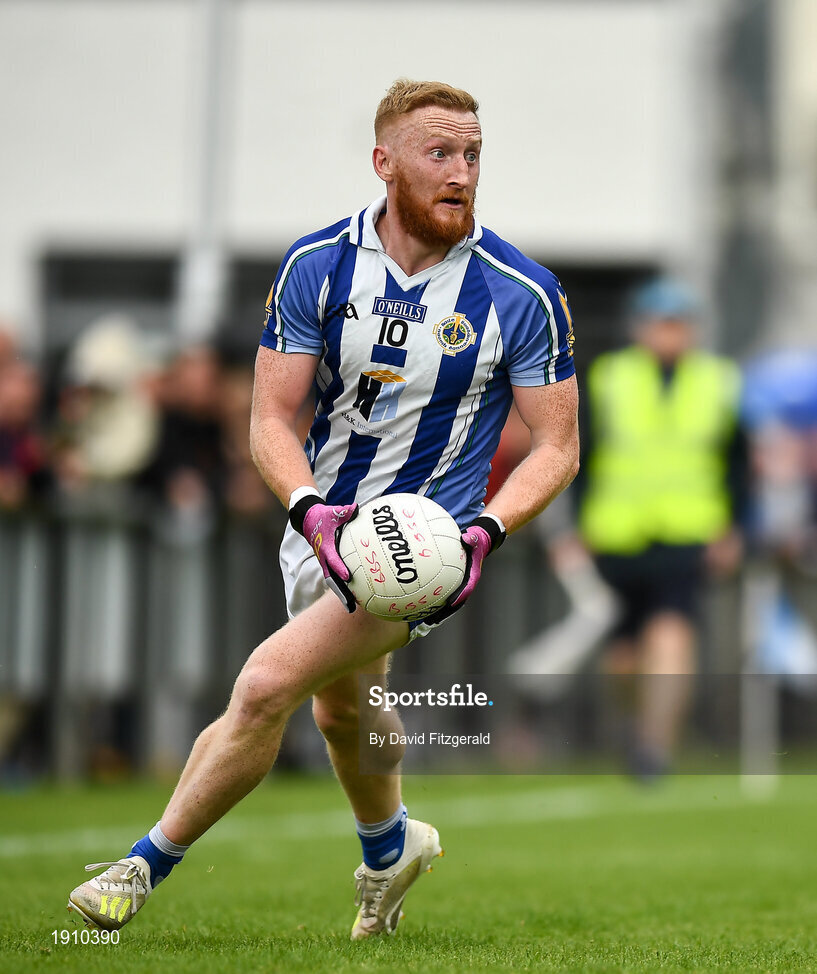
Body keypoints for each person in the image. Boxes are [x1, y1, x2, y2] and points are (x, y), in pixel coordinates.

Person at [67, 79, 579, 938]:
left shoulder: (519, 292)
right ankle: (390, 849)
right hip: (320, 528)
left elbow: (556, 446)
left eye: (474, 154)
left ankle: (136, 869)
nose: (462, 172)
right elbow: (269, 417)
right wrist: (308, 508)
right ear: (384, 164)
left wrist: (483, 529)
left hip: (419, 547)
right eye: (440, 153)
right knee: (341, 710)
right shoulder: (317, 265)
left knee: (265, 684)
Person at [576, 278, 744, 778]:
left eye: (679, 324)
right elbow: (578, 455)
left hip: (688, 528)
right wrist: (572, 525)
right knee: (624, 653)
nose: (669, 335)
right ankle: (637, 725)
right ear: (640, 328)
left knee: (672, 629)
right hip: (616, 530)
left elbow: (738, 462)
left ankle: (655, 746)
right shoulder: (608, 377)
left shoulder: (720, 381)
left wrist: (733, 527)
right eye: (660, 324)